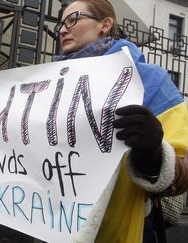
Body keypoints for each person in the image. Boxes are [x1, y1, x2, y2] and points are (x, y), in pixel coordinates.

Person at [53, 0, 188, 242]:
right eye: (61, 24)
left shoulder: (150, 79)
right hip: (52, 223)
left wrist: (154, 156)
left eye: (72, 19)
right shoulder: (45, 83)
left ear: (104, 25)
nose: (63, 29)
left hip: (123, 230)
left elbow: (183, 172)